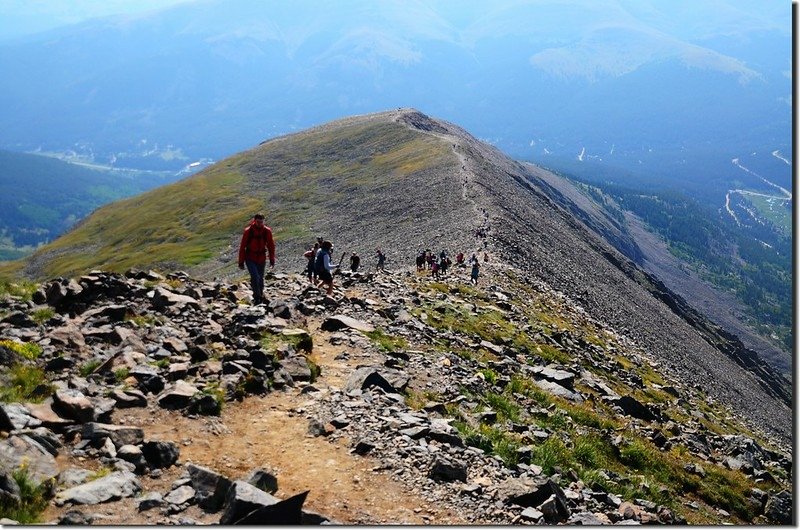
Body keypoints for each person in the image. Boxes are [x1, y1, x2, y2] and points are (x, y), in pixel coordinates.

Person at [238, 213, 275, 305]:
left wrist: (272, 260)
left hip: (262, 258)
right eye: (258, 222)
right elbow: (242, 247)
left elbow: (271, 246)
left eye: (261, 222)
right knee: (255, 276)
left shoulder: (267, 231)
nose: (260, 224)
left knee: (260, 278)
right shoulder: (248, 231)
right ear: (254, 221)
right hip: (250, 257)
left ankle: (260, 295)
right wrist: (241, 262)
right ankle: (257, 296)